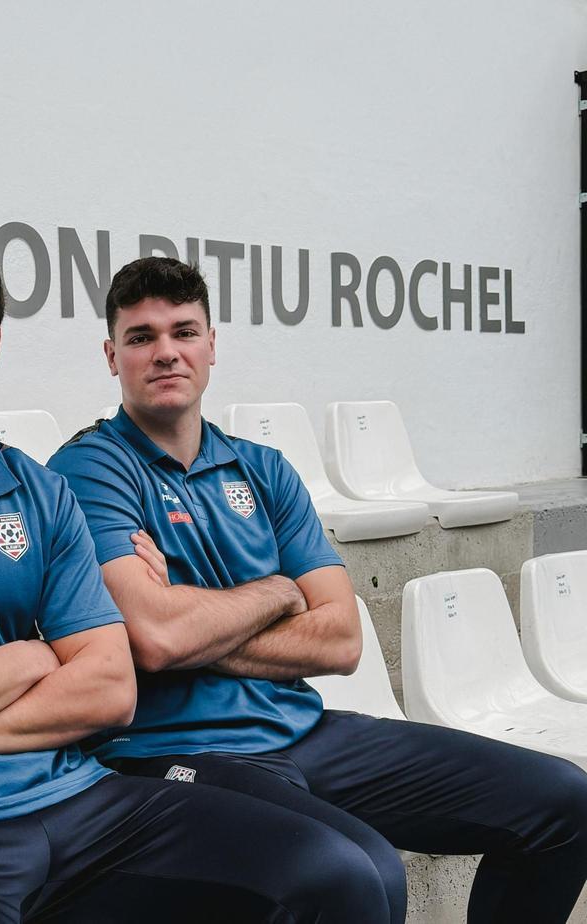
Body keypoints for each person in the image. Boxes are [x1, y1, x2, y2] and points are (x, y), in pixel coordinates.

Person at [0, 221, 401, 923]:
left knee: (338, 876)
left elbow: (110, 691)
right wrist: (33, 655)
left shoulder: (38, 490)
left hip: (75, 797)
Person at [47, 255, 587, 924]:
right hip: (178, 752)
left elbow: (341, 638)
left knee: (563, 802)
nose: (165, 353)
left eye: (184, 332)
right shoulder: (88, 468)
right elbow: (154, 639)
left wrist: (190, 614)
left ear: (212, 345)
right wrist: (278, 592)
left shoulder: (264, 469)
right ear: (112, 355)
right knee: (360, 872)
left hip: (305, 730)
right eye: (141, 337)